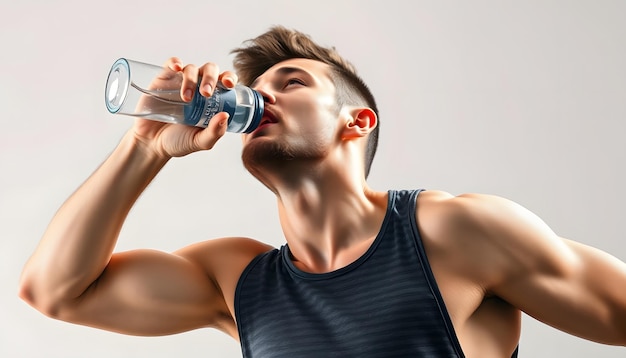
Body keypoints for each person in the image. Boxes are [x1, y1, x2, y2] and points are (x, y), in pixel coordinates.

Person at [19, 26, 626, 358]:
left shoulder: (451, 232)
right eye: (257, 88)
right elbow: (56, 293)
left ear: (356, 123)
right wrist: (146, 146)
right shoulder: (237, 280)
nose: (261, 98)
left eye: (292, 82)